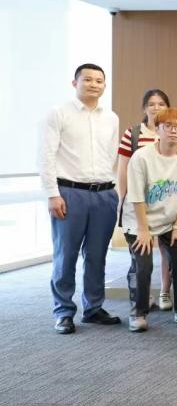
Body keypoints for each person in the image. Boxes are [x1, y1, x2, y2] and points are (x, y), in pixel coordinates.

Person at [41, 63, 122, 334]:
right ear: (75, 83)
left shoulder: (111, 118)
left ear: (104, 86)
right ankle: (63, 311)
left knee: (97, 256)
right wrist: (52, 194)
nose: (93, 84)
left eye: (99, 80)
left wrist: (113, 191)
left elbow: (111, 156)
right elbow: (46, 155)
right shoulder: (58, 113)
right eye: (87, 79)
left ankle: (94, 308)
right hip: (69, 193)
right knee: (66, 255)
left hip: (104, 194)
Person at [121, 107, 177, 332]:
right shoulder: (141, 157)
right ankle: (138, 312)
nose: (174, 131)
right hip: (139, 219)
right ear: (157, 129)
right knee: (143, 264)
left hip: (171, 219)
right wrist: (143, 229)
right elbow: (136, 196)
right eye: (168, 126)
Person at [117, 88, 172, 310]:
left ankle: (165, 292)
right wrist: (123, 199)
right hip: (138, 203)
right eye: (151, 104)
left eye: (161, 104)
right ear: (144, 108)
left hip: (166, 204)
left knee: (169, 253)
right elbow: (123, 169)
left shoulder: (172, 131)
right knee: (141, 255)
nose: (156, 108)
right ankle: (141, 297)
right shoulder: (133, 134)